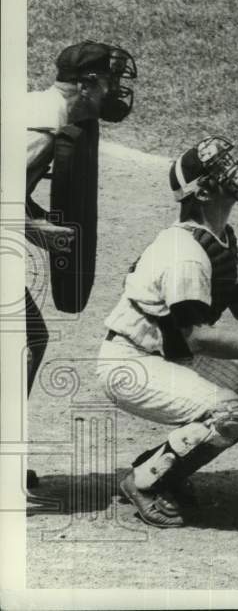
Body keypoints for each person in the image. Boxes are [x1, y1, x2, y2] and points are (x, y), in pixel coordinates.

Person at [96, 136, 238, 527]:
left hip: (169, 355)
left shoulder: (221, 240)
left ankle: (162, 465)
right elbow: (199, 337)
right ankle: (144, 482)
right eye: (220, 170)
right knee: (229, 412)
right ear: (200, 191)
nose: (233, 171)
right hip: (131, 364)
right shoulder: (185, 255)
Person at [23, 40, 136, 489]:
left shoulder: (43, 108)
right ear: (88, 84)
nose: (117, 92)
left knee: (28, 340)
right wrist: (43, 232)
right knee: (28, 341)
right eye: (110, 81)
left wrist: (37, 221)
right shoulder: (44, 129)